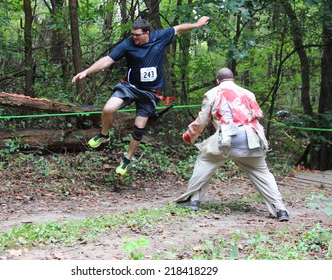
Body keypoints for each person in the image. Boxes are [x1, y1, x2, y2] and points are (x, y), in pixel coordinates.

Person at [71, 16, 211, 175]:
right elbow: (107, 60)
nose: (134, 37)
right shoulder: (127, 44)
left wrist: (197, 24)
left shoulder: (160, 37)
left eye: (137, 35)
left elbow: (178, 28)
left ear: (147, 33)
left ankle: (127, 159)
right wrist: (86, 71)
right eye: (133, 34)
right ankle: (104, 135)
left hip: (149, 93)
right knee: (108, 109)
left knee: (139, 129)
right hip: (130, 87)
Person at [175, 68, 289, 222]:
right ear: (233, 79)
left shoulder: (212, 93)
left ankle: (192, 200)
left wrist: (189, 136)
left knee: (205, 161)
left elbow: (201, 121)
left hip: (228, 139)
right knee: (262, 172)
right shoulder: (248, 93)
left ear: (217, 80)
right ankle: (280, 209)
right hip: (254, 139)